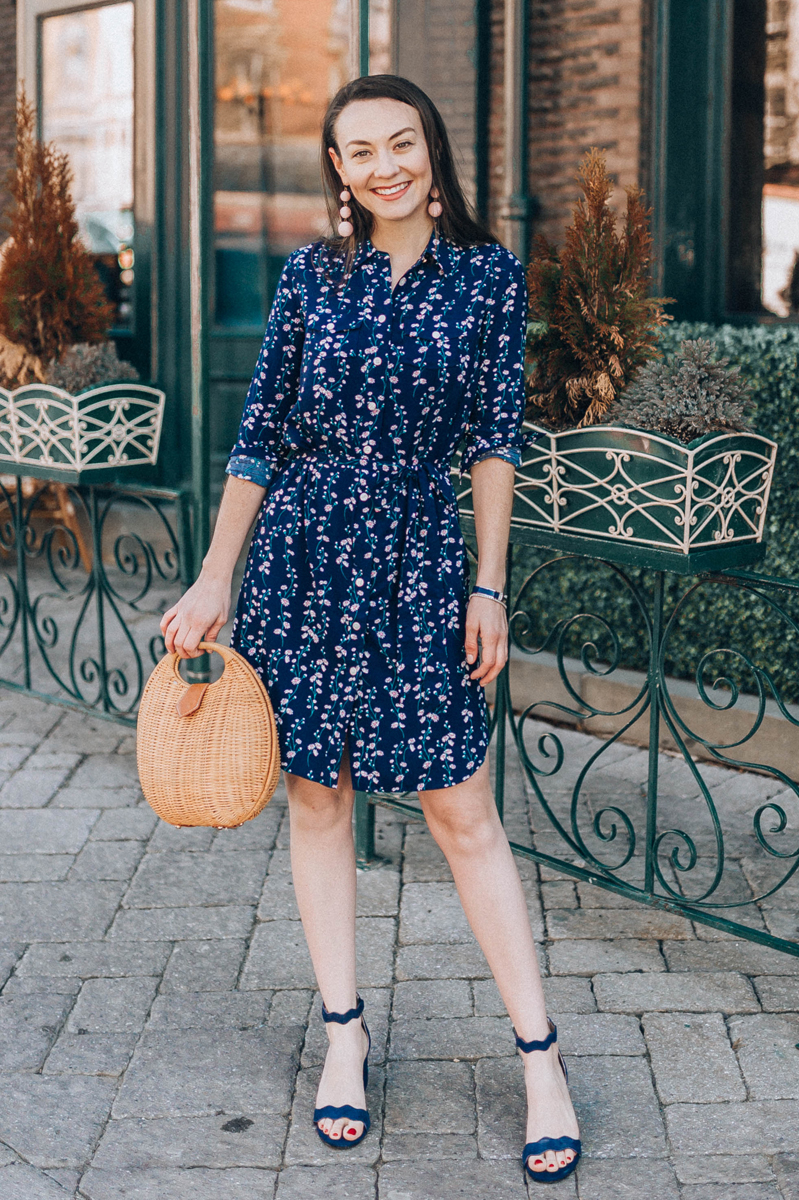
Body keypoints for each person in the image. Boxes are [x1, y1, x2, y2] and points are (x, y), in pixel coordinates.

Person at [161, 73, 580, 1184]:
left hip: (417, 560)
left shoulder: (489, 277)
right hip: (302, 555)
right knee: (316, 793)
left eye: (403, 143)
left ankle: (540, 1057)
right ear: (337, 171)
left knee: (461, 806)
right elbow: (259, 437)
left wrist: (488, 586)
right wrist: (214, 578)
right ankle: (343, 1032)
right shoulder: (308, 279)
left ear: (432, 151)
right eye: (360, 151)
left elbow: (495, 439)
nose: (385, 164)